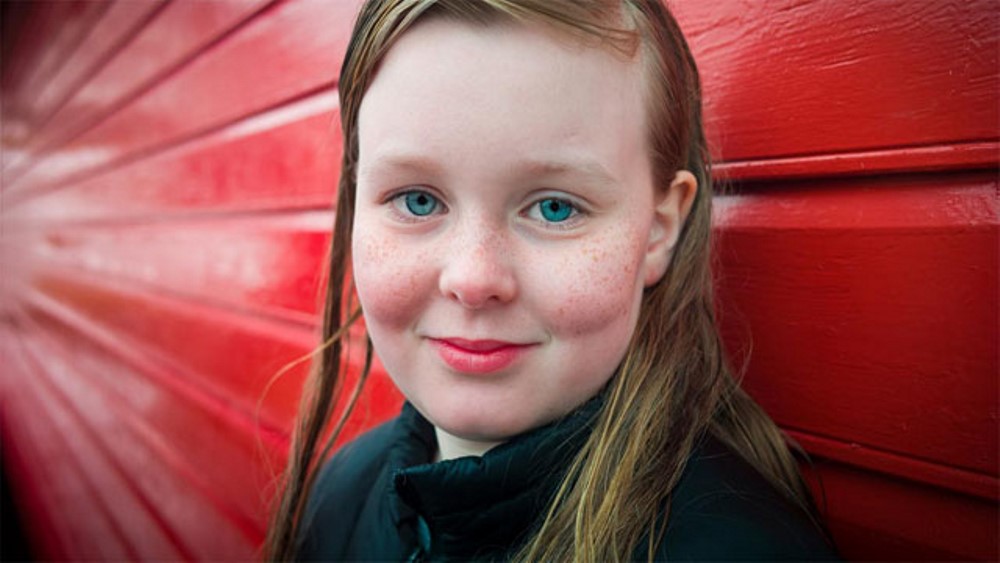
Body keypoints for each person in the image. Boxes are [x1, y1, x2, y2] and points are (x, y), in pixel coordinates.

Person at [266, 0, 839, 560]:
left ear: (659, 230)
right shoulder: (340, 495)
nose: (473, 278)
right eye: (417, 200)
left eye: (555, 208)